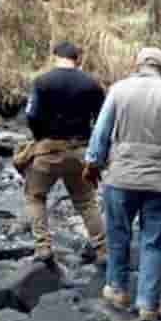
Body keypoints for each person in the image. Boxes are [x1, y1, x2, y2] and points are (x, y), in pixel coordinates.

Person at [82, 46, 161, 321]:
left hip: (121, 177)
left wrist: (93, 164)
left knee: (118, 234)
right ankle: (148, 305)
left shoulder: (119, 90)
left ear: (137, 65)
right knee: (155, 243)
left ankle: (117, 289)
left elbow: (101, 132)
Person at [21, 40, 107, 265]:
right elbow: (102, 122)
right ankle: (102, 249)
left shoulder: (42, 81)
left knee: (35, 196)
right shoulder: (92, 84)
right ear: (77, 59)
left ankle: (43, 247)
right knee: (87, 202)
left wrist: (40, 137)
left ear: (55, 56)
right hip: (79, 151)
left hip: (47, 149)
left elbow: (31, 115)